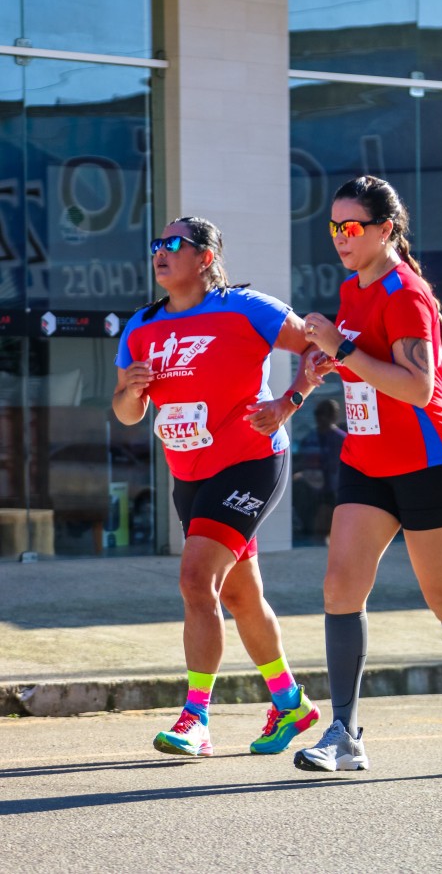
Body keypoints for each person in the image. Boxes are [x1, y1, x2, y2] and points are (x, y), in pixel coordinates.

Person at [293, 175, 442, 775]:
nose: (340, 238)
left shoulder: (406, 292)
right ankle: (343, 732)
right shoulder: (353, 289)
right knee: (340, 587)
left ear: (385, 229)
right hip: (368, 459)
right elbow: (364, 370)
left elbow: (418, 389)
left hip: (430, 462)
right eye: (334, 227)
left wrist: (342, 351)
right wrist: (318, 372)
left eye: (352, 227)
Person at [112, 215, 320, 757]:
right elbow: (126, 412)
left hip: (251, 461)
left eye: (173, 244)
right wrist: (132, 392)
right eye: (157, 244)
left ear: (205, 257)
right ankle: (289, 701)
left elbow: (319, 348)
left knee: (194, 577)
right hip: (190, 476)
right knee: (238, 594)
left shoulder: (245, 308)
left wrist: (288, 401)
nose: (160, 252)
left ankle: (195, 719)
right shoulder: (141, 326)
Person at [293, 398, 346, 540]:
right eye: (318, 413)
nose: (320, 417)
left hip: (334, 492)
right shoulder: (309, 438)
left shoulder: (342, 440)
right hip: (310, 491)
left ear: (333, 416)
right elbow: (302, 461)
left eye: (324, 413)